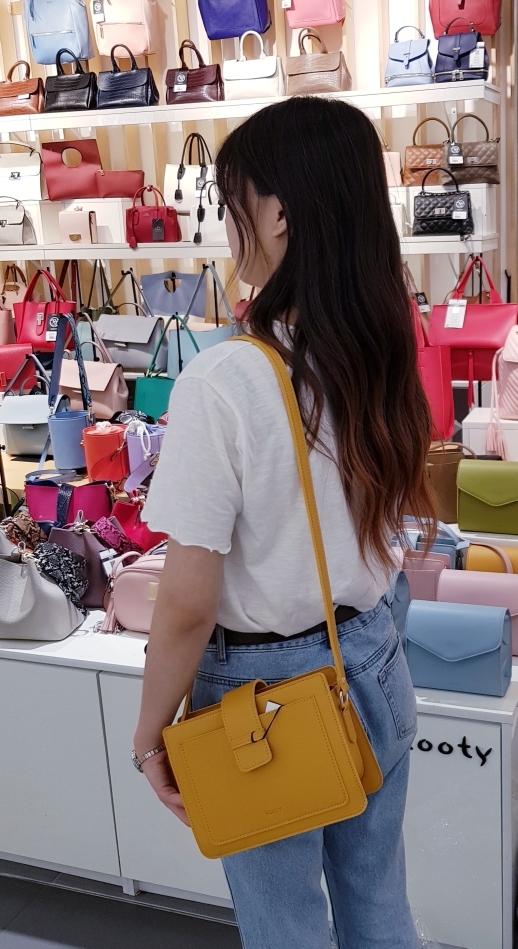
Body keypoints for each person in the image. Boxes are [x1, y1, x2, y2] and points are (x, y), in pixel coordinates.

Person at [134, 96, 435, 949]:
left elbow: (186, 604)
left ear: (276, 214)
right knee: (379, 905)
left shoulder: (224, 379)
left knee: (285, 930)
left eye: (233, 197)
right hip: (373, 655)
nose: (227, 219)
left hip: (263, 697)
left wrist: (150, 737)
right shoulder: (372, 350)